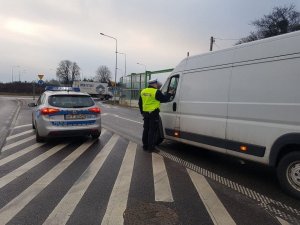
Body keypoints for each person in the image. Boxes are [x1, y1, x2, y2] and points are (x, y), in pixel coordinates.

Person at [138, 79, 173, 152]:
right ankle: (151, 148)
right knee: (152, 131)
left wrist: (142, 112)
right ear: (154, 84)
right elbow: (165, 99)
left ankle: (145, 146)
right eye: (156, 84)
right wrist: (169, 93)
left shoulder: (143, 91)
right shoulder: (156, 92)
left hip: (146, 113)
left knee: (146, 130)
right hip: (153, 113)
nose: (157, 85)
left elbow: (140, 103)